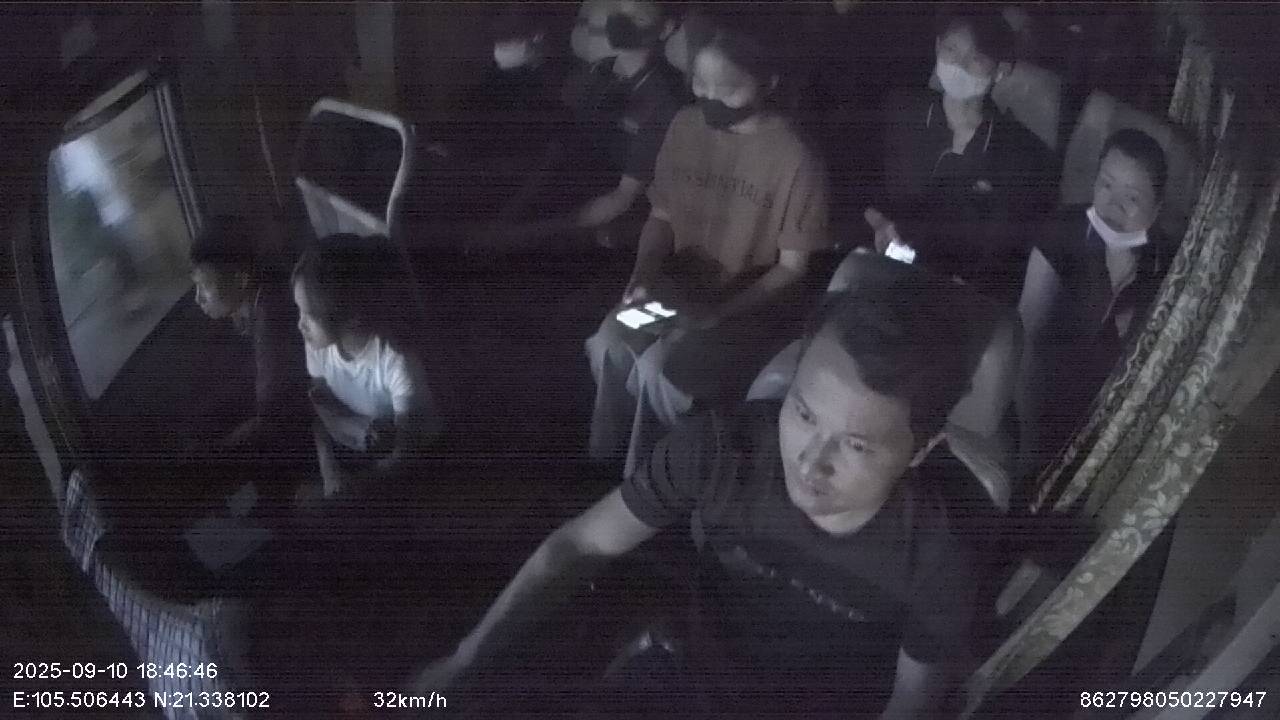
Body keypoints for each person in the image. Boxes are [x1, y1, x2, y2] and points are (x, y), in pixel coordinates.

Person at [407, 272, 982, 718]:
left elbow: (909, 705)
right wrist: (461, 663)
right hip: (686, 677)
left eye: (855, 446)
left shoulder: (937, 554)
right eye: (803, 414)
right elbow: (581, 545)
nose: (811, 461)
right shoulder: (721, 450)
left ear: (922, 449)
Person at [585, 10, 831, 477]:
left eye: (728, 88)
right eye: (701, 83)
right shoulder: (684, 125)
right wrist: (642, 274)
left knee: (661, 371)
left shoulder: (795, 156)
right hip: (677, 286)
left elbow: (792, 267)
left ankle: (655, 476)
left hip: (747, 300)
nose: (711, 98)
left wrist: (721, 312)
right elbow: (661, 215)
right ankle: (603, 462)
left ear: (767, 83)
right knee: (610, 343)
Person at [865, 4, 1057, 306]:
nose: (959, 65)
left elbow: (1005, 262)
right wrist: (879, 223)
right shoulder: (901, 109)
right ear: (937, 46)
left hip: (955, 301)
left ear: (1001, 70)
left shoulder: (1022, 158)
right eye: (951, 50)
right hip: (880, 274)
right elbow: (862, 187)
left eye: (976, 59)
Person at [1016, 129, 1170, 474]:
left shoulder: (1166, 266)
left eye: (1132, 198)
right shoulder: (1061, 232)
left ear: (1156, 210)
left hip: (1114, 423)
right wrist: (1030, 448)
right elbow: (1026, 343)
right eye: (1106, 185)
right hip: (1045, 403)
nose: (1113, 205)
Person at [478, 0, 684, 251]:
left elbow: (622, 198)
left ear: (665, 28)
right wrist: (507, 218)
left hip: (608, 217)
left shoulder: (664, 100)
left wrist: (525, 234)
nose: (621, 22)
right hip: (566, 192)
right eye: (618, 12)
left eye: (638, 17)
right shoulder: (593, 73)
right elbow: (557, 152)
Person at [291, 234, 440, 506]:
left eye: (310, 315)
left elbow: (406, 454)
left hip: (407, 459)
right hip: (357, 443)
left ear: (352, 317)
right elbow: (320, 409)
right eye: (299, 311)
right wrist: (329, 473)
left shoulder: (397, 361)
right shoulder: (318, 343)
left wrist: (345, 491)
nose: (300, 325)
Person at [189, 216, 310, 454]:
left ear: (241, 279)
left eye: (204, 286)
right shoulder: (250, 305)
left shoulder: (273, 320)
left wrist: (216, 454)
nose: (198, 298)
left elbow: (274, 414)